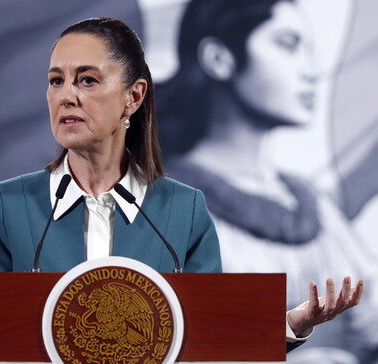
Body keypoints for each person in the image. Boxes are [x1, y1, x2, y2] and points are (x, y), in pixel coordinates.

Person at [0, 18, 363, 364]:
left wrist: (290, 326)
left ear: (133, 97)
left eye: (88, 80)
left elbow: (213, 340)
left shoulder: (185, 207)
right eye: (55, 81)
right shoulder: (10, 204)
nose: (66, 95)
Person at [155, 0, 377, 362]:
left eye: (310, 51)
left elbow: (370, 319)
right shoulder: (162, 209)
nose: (312, 70)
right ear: (218, 58)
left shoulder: (311, 203)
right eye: (288, 45)